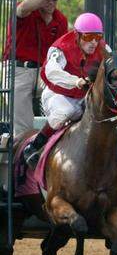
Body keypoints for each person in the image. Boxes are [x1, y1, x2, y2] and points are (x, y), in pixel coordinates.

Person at [22, 12, 105, 165]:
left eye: (97, 37)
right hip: (57, 94)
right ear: (77, 35)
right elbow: (52, 72)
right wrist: (76, 81)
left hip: (82, 96)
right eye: (88, 37)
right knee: (66, 112)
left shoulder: (102, 47)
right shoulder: (61, 47)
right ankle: (33, 146)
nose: (93, 42)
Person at [6, 0, 70, 138]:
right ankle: (19, 158)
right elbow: (22, 8)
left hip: (44, 72)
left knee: (68, 98)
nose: (51, 1)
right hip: (18, 71)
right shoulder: (26, 10)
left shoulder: (60, 19)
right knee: (23, 132)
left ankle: (53, 140)